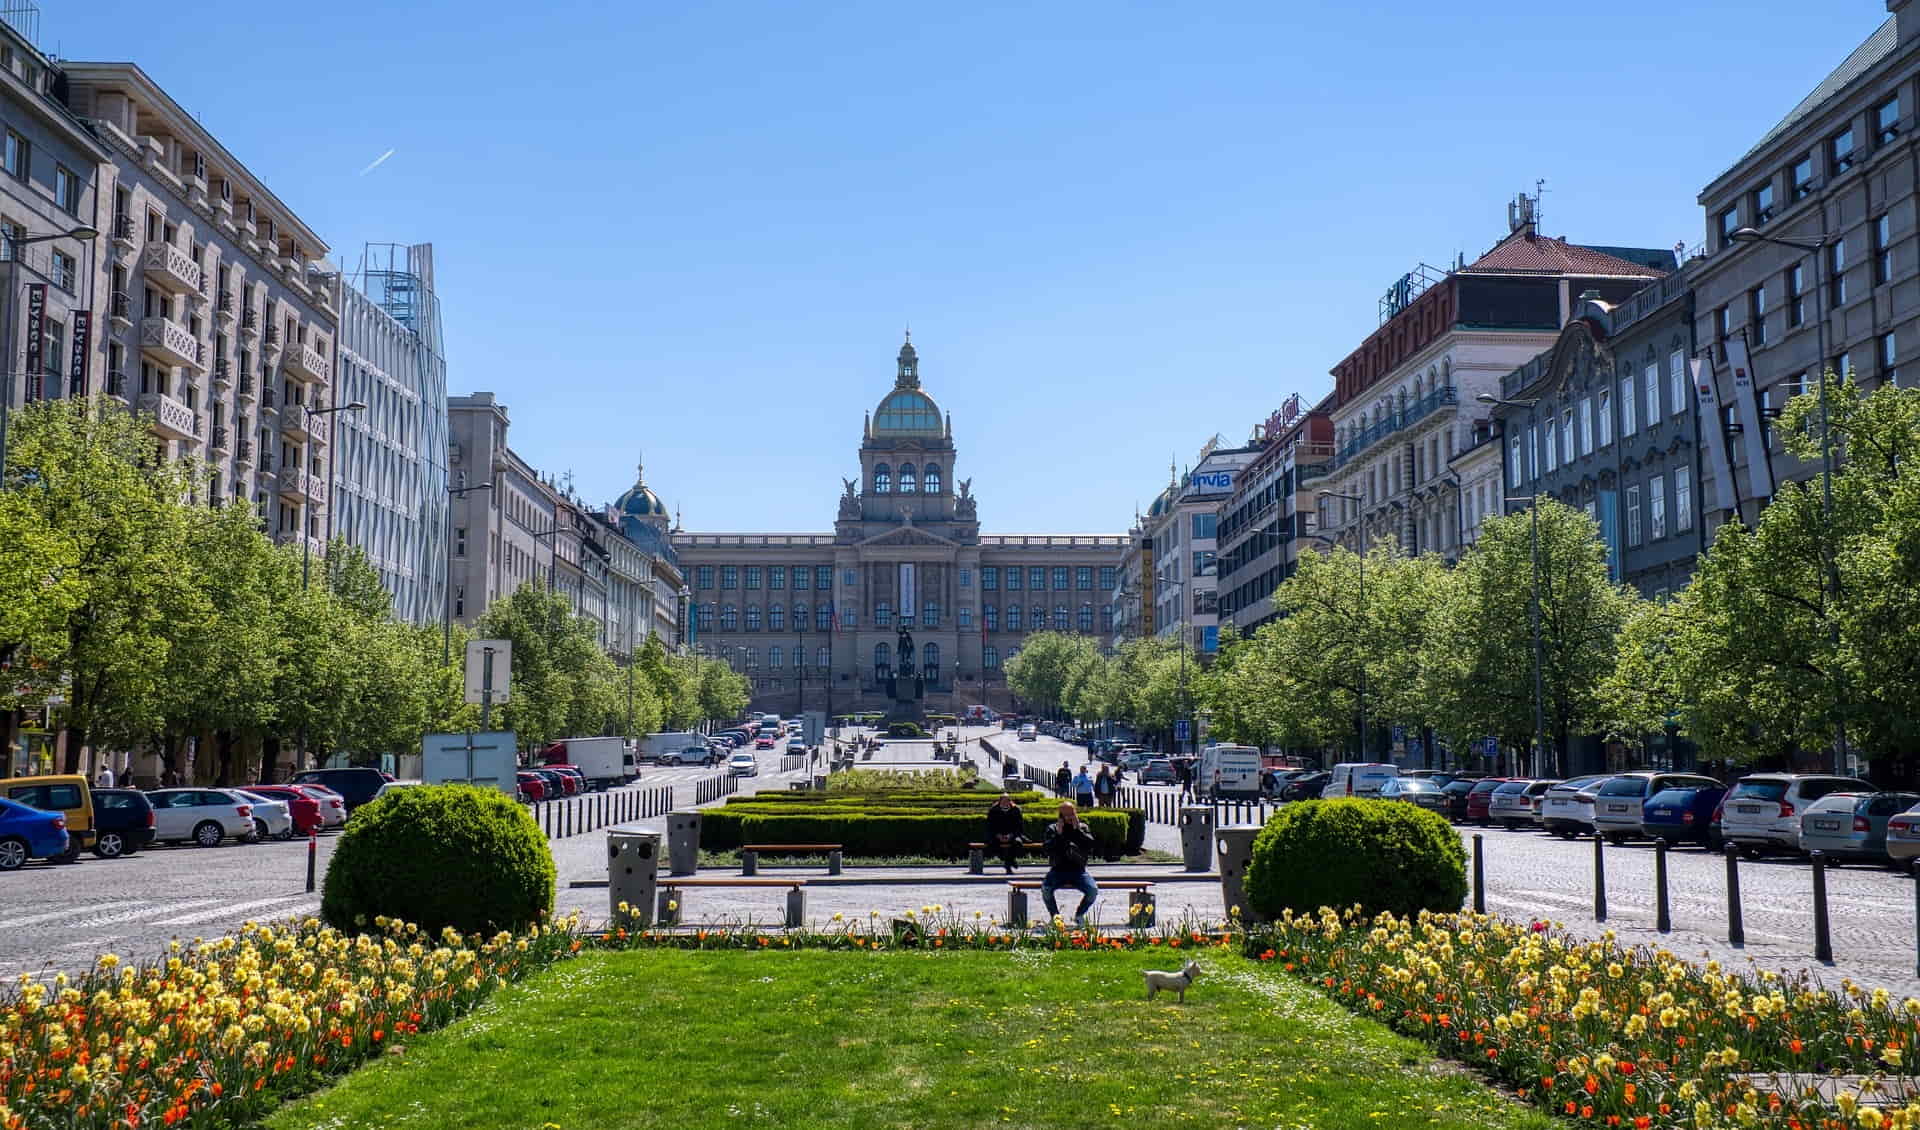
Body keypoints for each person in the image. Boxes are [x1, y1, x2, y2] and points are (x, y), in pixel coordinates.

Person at [1041, 801, 1099, 926]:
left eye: (1071, 814)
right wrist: (1059, 834)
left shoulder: (1082, 827)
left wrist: (1078, 830)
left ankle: (1079, 915)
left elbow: (1090, 845)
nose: (1069, 818)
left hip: (1078, 870)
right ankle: (1055, 916)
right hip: (1058, 870)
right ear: (1060, 816)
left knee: (1092, 890)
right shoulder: (1052, 829)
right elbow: (1047, 849)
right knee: (1046, 889)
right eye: (1065, 815)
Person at [985, 791, 1025, 874]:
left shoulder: (1016, 810)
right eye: (1003, 801)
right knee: (992, 845)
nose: (1005, 802)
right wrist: (998, 835)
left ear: (1010, 801)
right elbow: (990, 826)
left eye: (1007, 800)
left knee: (1018, 843)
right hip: (996, 836)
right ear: (1000, 801)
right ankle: (1010, 862)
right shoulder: (993, 810)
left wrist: (1010, 835)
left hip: (1012, 835)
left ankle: (1010, 862)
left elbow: (1019, 826)